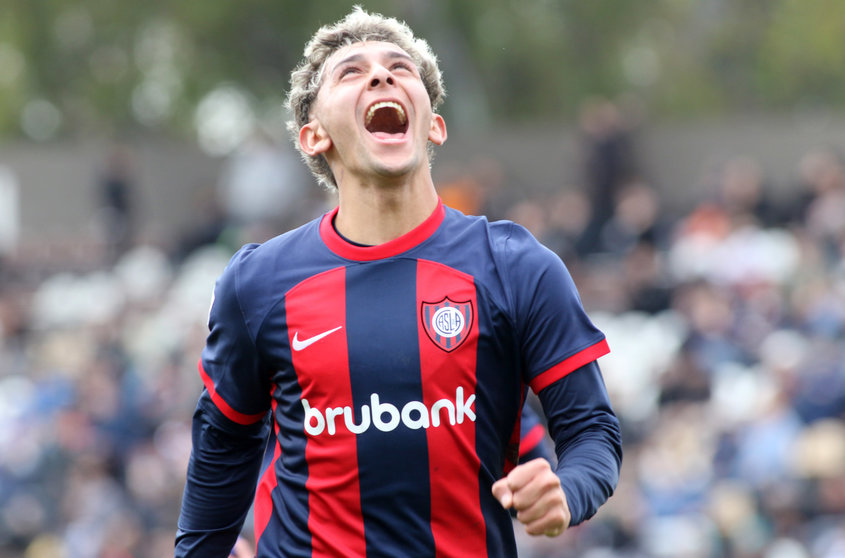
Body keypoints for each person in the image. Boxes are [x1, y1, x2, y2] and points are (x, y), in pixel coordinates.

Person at [175, 7, 621, 557]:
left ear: (433, 124)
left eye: (399, 67)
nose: (382, 76)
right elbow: (224, 445)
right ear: (314, 136)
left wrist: (567, 490)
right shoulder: (259, 283)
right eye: (350, 72)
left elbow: (593, 431)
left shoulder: (516, 267)